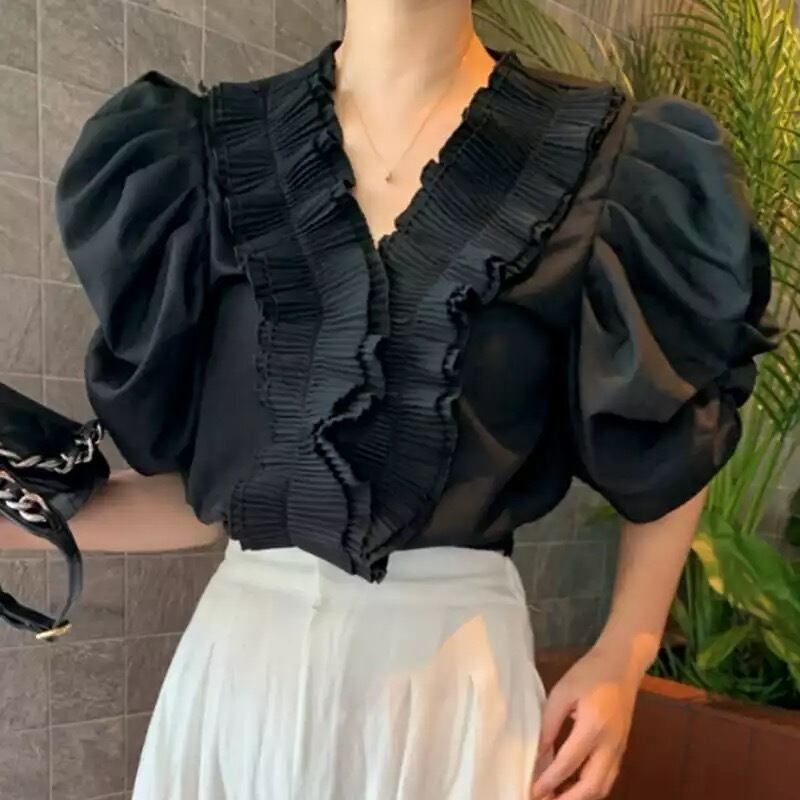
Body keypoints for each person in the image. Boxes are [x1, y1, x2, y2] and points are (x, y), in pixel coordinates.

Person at [0, 0, 778, 798]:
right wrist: (23, 521)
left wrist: (625, 650)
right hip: (241, 686)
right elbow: (210, 507)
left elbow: (670, 429)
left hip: (452, 690)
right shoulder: (203, 157)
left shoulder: (606, 163)